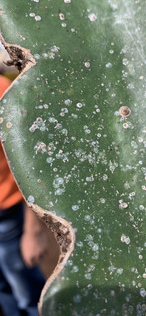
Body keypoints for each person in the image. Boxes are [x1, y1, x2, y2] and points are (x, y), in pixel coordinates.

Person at [0, 75, 48, 316]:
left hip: (6, 217)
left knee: (26, 291)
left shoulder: (3, 91)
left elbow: (31, 164)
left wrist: (33, 232)